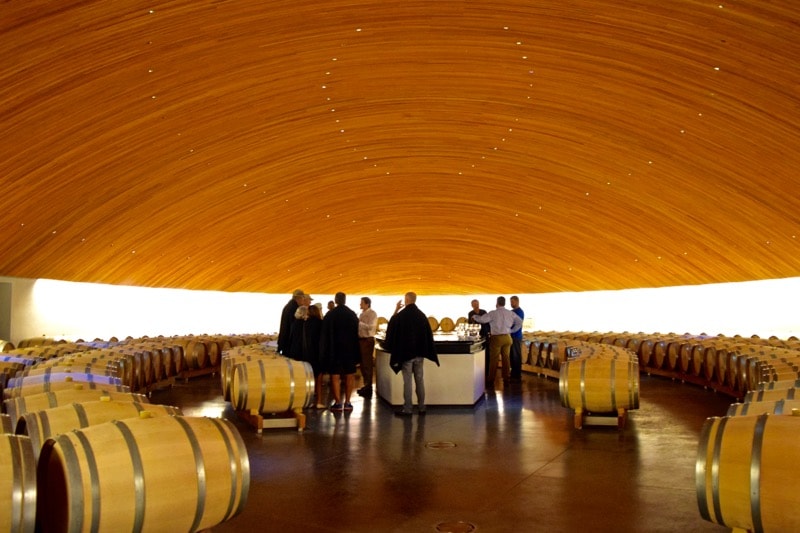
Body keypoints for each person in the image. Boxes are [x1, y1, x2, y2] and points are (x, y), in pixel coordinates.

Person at [383, 291, 439, 416]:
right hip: (420, 354)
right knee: (420, 380)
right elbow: (428, 335)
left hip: (406, 354)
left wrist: (396, 309)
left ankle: (407, 409)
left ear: (406, 300)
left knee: (407, 381)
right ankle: (422, 407)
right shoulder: (421, 315)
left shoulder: (401, 315)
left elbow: (391, 327)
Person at [320, 292, 360, 411]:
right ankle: (348, 402)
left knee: (335, 375)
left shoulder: (330, 314)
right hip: (349, 349)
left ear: (336, 300)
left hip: (334, 349)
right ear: (345, 300)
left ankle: (337, 402)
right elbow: (357, 332)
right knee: (350, 375)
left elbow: (325, 334)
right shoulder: (352, 314)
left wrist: (324, 351)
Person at [472, 296, 522, 387]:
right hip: (507, 337)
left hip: (497, 338)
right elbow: (519, 322)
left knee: (494, 359)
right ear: (504, 303)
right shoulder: (510, 313)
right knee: (506, 358)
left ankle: (491, 379)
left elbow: (482, 320)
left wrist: (475, 316)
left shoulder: (493, 313)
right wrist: (512, 330)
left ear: (497, 303)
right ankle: (506, 378)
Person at [357, 296, 378, 398]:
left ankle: (369, 387)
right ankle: (366, 385)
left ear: (367, 304)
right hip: (361, 340)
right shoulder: (362, 314)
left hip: (367, 340)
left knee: (367, 364)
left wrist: (359, 323)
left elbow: (371, 327)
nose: (360, 304)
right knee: (362, 364)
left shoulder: (372, 314)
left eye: (361, 303)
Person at [468, 299, 491, 379]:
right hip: (476, 336)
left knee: (487, 353)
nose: (475, 306)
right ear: (472, 305)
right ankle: (478, 370)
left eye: (476, 304)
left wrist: (489, 332)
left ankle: (487, 371)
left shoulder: (484, 312)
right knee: (478, 351)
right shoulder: (470, 313)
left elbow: (488, 322)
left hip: (485, 334)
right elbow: (470, 325)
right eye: (474, 304)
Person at [278, 289, 305, 355]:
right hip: (289, 341)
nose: (303, 300)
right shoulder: (294, 308)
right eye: (302, 298)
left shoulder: (288, 306)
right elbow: (293, 327)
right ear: (298, 298)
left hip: (285, 339)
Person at [509, 295, 525, 382]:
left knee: (516, 356)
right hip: (511, 336)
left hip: (516, 336)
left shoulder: (519, 312)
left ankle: (517, 374)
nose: (511, 303)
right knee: (512, 356)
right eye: (510, 302)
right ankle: (513, 373)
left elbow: (517, 324)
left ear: (517, 301)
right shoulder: (512, 311)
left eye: (512, 302)